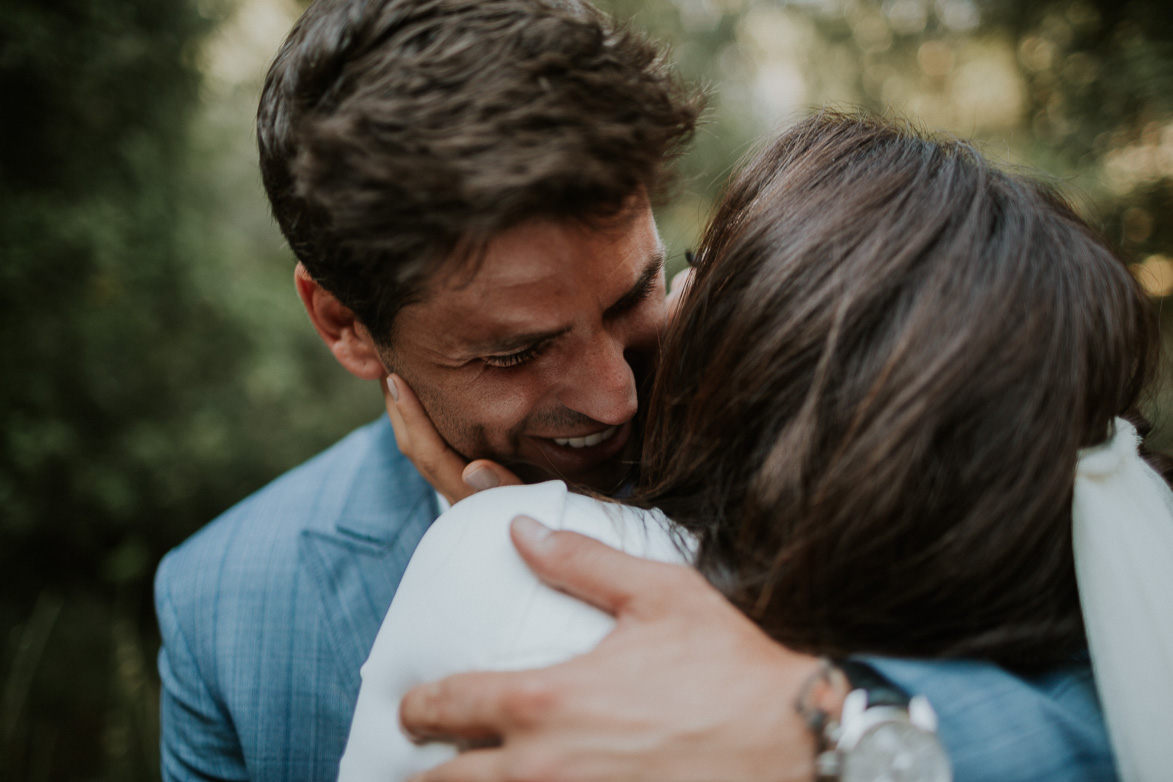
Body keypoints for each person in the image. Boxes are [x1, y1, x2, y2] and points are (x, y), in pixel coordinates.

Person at [152, 1, 1119, 780]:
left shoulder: (827, 392)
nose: (615, 396)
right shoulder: (228, 607)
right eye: (514, 353)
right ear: (344, 326)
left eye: (632, 294)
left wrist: (839, 734)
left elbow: (1113, 686)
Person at [341, 112, 1161, 781]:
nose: (618, 389)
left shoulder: (524, 569)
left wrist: (541, 537)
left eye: (694, 272)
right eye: (512, 352)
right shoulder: (1101, 613)